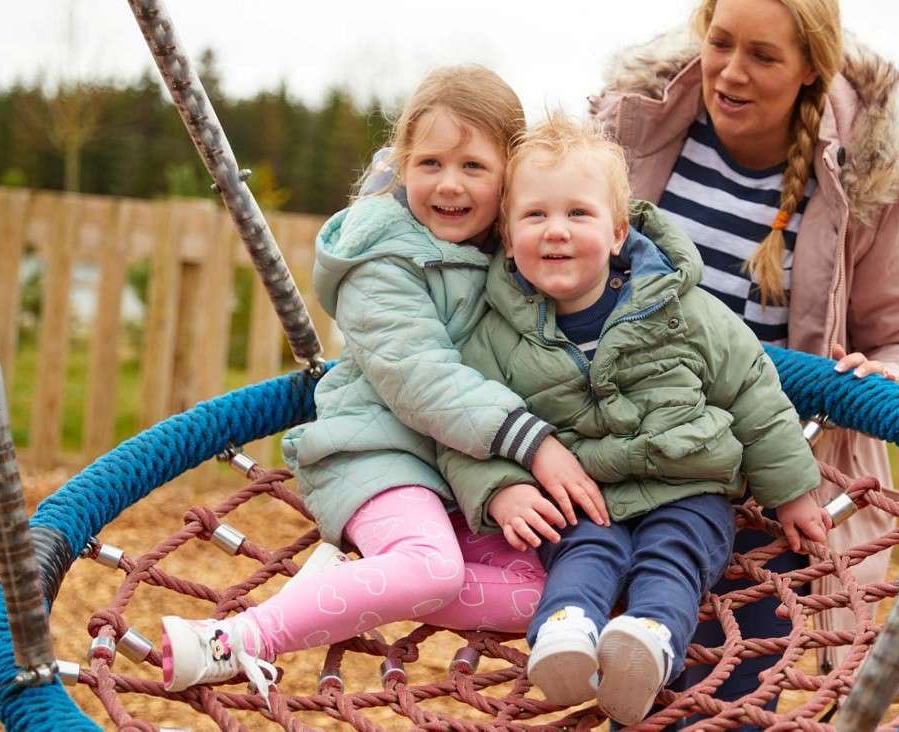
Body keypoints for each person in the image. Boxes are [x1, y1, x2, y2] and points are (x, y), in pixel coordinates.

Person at [157, 65, 611, 704]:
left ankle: (360, 581)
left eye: (473, 167)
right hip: (374, 452)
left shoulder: (510, 250)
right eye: (430, 163)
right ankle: (237, 640)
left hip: (457, 469)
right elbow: (421, 378)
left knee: (547, 592)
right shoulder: (381, 257)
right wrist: (532, 445)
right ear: (402, 164)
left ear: (509, 173)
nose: (449, 184)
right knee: (431, 568)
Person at [589, 0, 899, 714]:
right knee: (626, 683)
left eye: (764, 56)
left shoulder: (864, 179)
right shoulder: (639, 133)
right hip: (621, 462)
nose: (731, 73)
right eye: (720, 43)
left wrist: (886, 378)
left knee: (725, 699)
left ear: (813, 66)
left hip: (766, 492)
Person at [438, 113, 830, 726]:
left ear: (618, 232)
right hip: (581, 495)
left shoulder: (683, 308)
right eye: (535, 216)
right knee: (581, 554)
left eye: (579, 214)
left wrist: (794, 493)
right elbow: (463, 420)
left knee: (675, 556)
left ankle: (648, 641)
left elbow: (754, 392)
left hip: (688, 484)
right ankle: (565, 633)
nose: (557, 232)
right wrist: (503, 488)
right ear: (508, 239)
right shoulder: (494, 332)